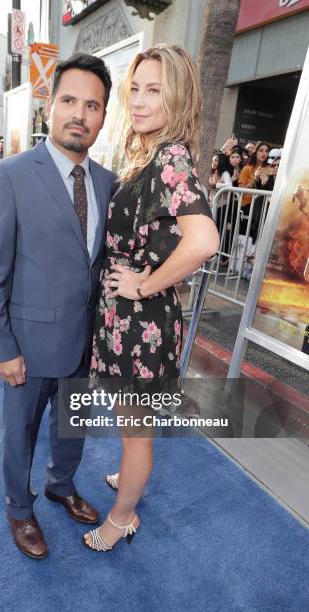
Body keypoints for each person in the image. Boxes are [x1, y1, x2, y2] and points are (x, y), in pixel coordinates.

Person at [0, 53, 116, 560]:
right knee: (21, 433)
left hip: (82, 342)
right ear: (49, 107)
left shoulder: (106, 182)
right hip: (27, 349)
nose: (80, 113)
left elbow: (94, 264)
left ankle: (61, 484)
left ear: (102, 116)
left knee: (71, 426)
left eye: (92, 105)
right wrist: (3, 348)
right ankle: (18, 506)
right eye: (69, 100)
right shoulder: (6, 175)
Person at [83, 44, 219, 552]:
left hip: (140, 318)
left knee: (135, 431)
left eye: (154, 90)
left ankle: (122, 518)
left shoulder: (172, 156)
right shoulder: (155, 153)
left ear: (177, 96)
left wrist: (143, 283)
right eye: (135, 88)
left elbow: (204, 240)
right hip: (137, 317)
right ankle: (130, 473)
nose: (138, 101)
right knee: (133, 424)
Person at [238, 141, 271, 241]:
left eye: (266, 151)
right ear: (255, 152)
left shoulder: (269, 169)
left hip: (261, 210)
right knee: (242, 239)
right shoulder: (247, 168)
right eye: (261, 150)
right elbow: (240, 190)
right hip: (246, 208)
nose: (264, 153)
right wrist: (254, 180)